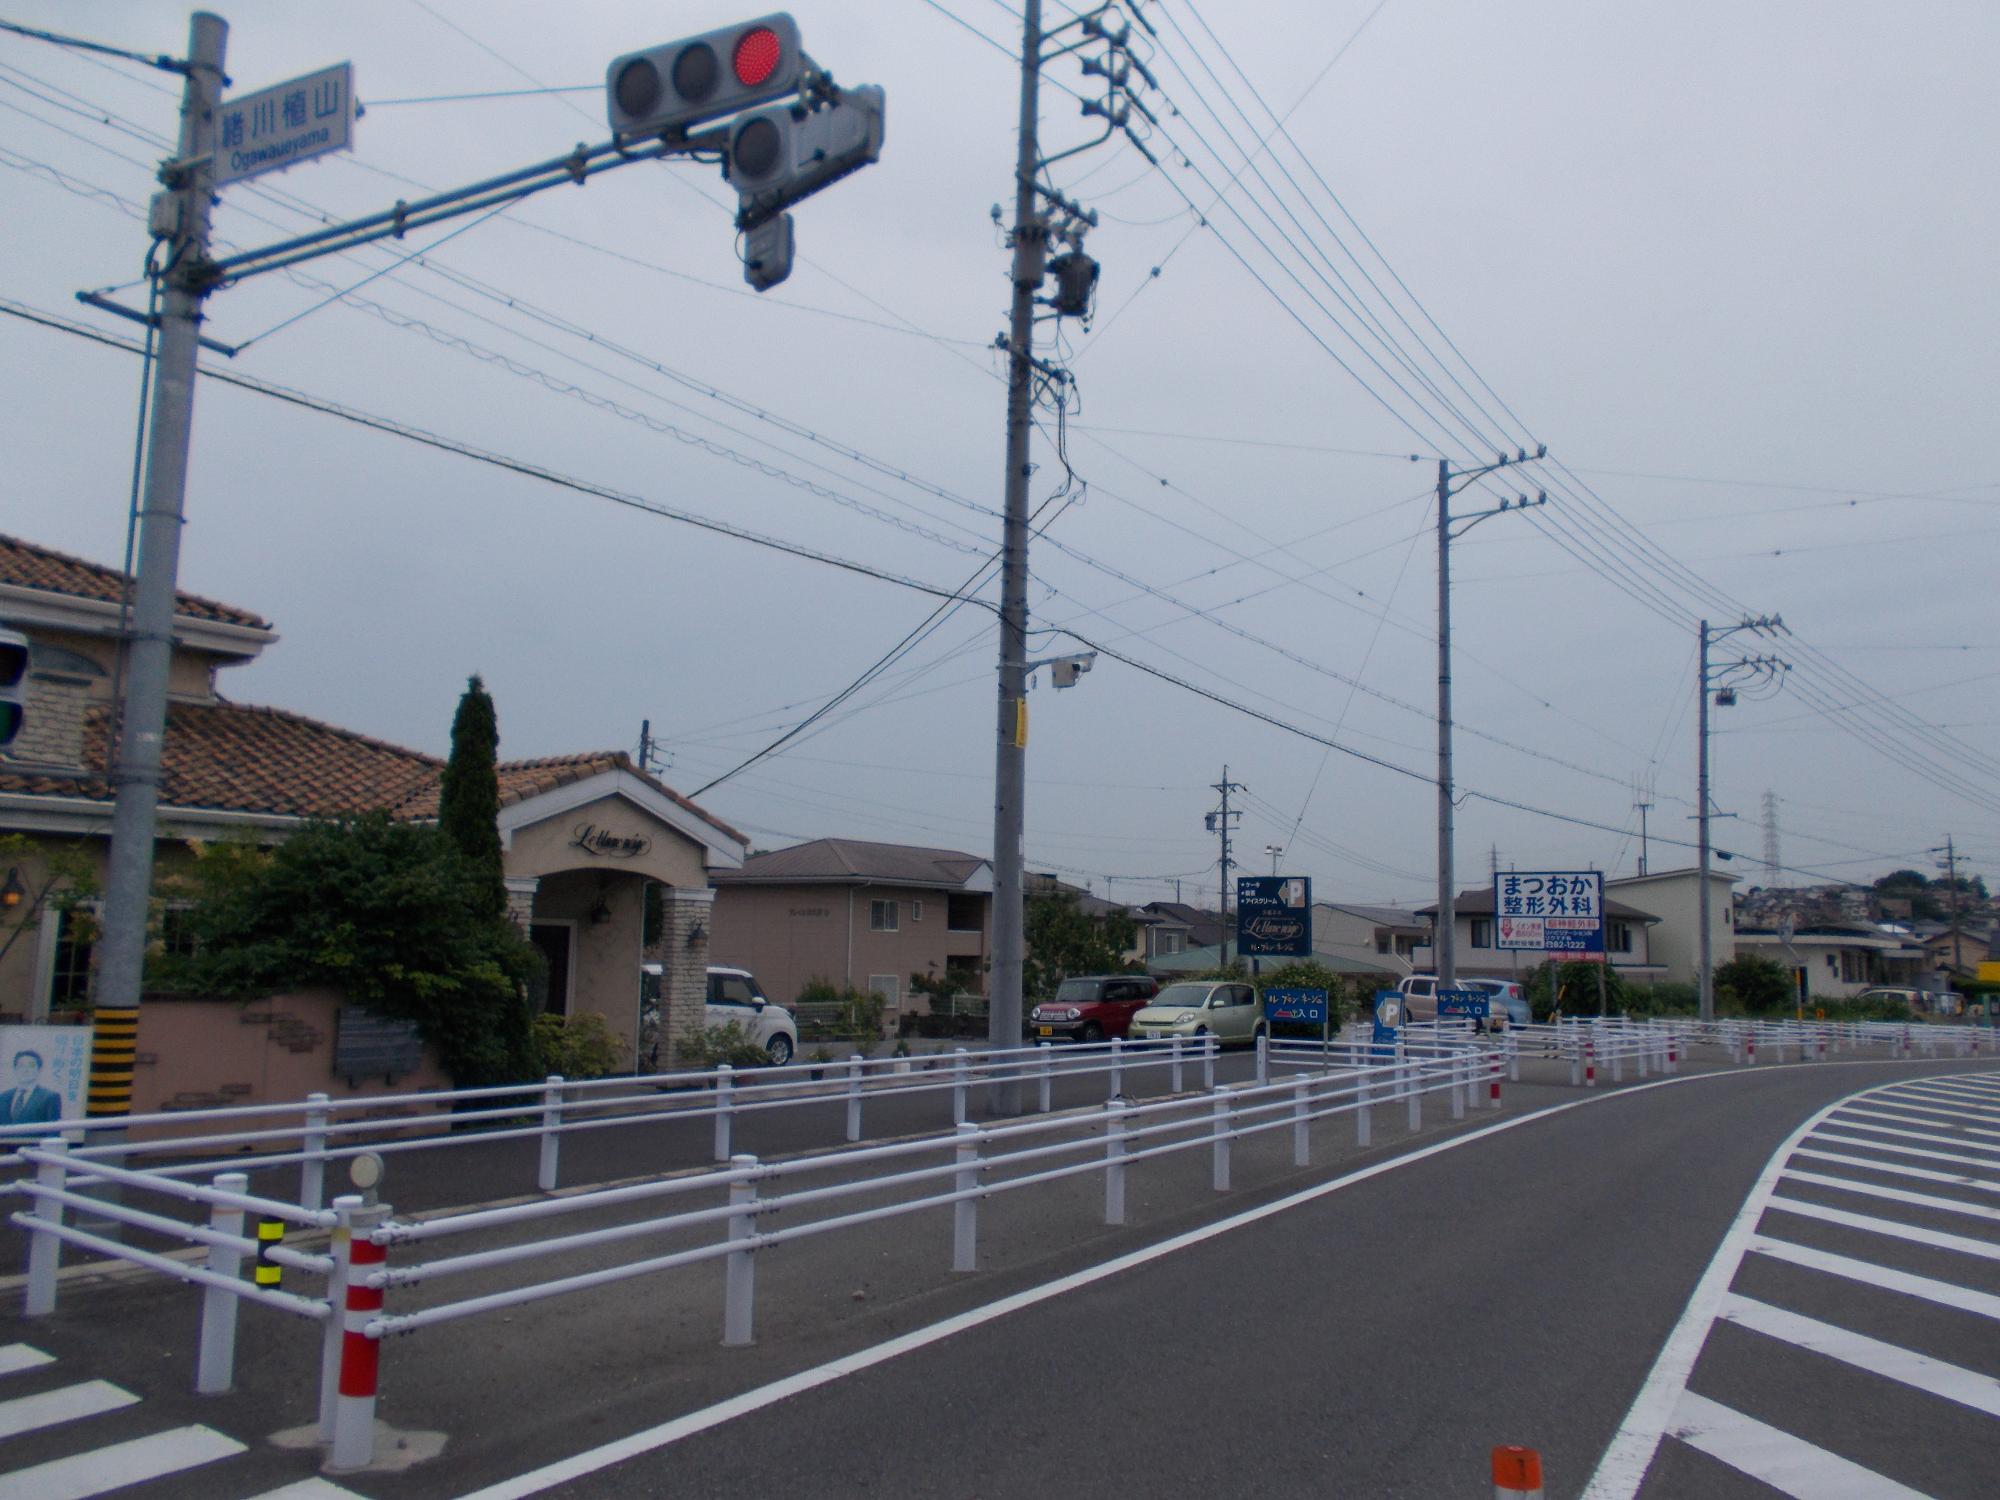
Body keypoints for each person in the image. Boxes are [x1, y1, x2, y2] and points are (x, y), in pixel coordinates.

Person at [0, 1049, 64, 1127]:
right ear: (15, 1069)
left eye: (31, 1066)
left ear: (39, 1070)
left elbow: (54, 1131)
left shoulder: (50, 1097)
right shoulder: (4, 1097)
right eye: (21, 1065)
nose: (26, 1070)